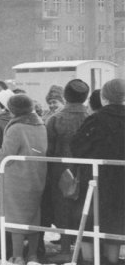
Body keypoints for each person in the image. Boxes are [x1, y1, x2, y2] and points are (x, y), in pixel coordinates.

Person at [70, 78, 125, 265]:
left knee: (88, 215)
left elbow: (77, 146)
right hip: (121, 179)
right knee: (116, 218)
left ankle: (89, 262)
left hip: (96, 177)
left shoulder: (96, 119)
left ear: (104, 97)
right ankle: (113, 262)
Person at [0, 93, 48, 264]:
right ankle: (32, 254)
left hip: (17, 177)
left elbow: (7, 152)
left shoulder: (17, 128)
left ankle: (17, 256)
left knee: (16, 216)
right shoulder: (41, 125)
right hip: (37, 174)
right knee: (33, 215)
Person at [44, 79, 90, 256]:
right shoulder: (90, 118)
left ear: (65, 96)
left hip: (60, 168)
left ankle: (65, 247)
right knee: (84, 207)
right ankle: (84, 248)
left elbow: (48, 148)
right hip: (86, 169)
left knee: (62, 207)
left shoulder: (55, 119)